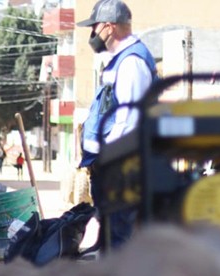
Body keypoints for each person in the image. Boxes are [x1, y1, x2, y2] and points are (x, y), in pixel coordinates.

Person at [77, 0, 156, 252]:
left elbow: (129, 122)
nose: (92, 34)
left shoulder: (132, 63)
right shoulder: (118, 61)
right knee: (111, 236)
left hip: (121, 167)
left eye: (95, 27)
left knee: (119, 238)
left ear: (109, 28)